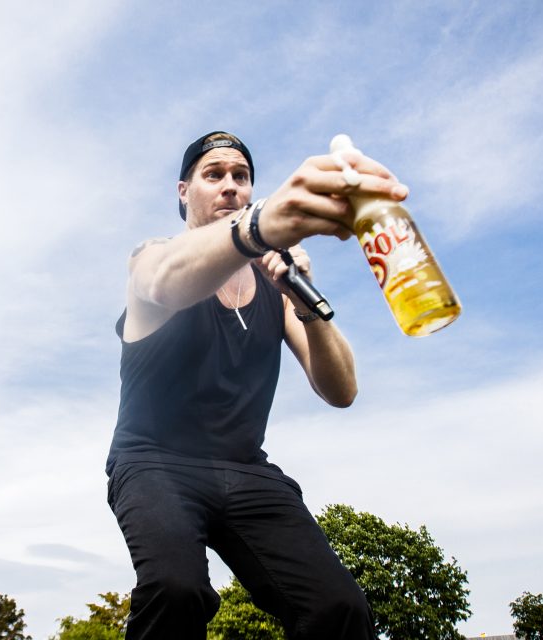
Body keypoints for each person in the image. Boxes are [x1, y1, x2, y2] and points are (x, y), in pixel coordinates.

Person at [107, 131, 408, 639]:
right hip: (155, 461)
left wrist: (301, 297)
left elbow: (342, 391)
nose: (230, 186)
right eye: (214, 175)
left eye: (241, 176)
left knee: (338, 607)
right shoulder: (155, 255)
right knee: (175, 591)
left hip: (245, 467)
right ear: (184, 191)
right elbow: (160, 280)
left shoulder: (276, 287)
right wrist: (258, 228)